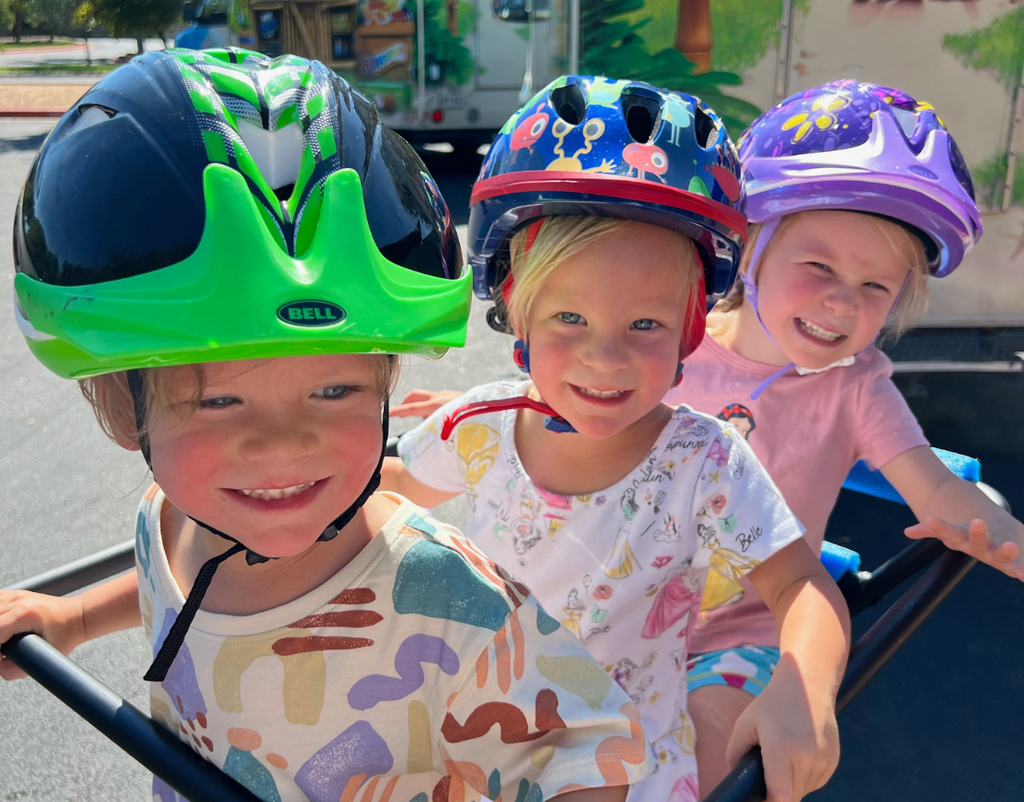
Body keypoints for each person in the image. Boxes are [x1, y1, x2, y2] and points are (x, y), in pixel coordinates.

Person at [0, 51, 655, 802]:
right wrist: (73, 616)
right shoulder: (172, 516)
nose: (284, 444)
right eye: (218, 401)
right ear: (127, 411)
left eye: (335, 388)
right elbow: (164, 587)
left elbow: (584, 747)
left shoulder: (441, 596)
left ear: (384, 388)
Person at [392, 80, 1024, 797]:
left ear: (679, 325)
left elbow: (927, 490)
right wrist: (495, 408)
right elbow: (578, 400)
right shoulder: (663, 358)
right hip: (608, 621)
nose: (842, 300)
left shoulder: (819, 402)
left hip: (735, 627)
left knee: (718, 763)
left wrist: (998, 531)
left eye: (876, 288)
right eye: (818, 267)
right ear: (749, 250)